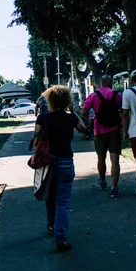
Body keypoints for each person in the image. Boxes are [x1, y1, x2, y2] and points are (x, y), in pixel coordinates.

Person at [35, 85, 87, 252]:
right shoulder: (71, 118)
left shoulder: (42, 118)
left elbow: (36, 141)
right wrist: (72, 112)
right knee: (63, 202)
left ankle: (51, 225)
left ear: (49, 100)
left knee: (49, 197)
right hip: (65, 161)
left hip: (47, 163)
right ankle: (61, 238)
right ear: (67, 100)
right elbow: (83, 129)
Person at [82, 75, 123, 197]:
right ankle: (114, 187)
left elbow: (84, 111)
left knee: (101, 158)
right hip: (115, 131)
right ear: (111, 84)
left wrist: (91, 118)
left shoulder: (93, 96)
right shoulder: (117, 95)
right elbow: (123, 110)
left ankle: (103, 181)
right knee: (115, 159)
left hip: (99, 131)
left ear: (100, 83)